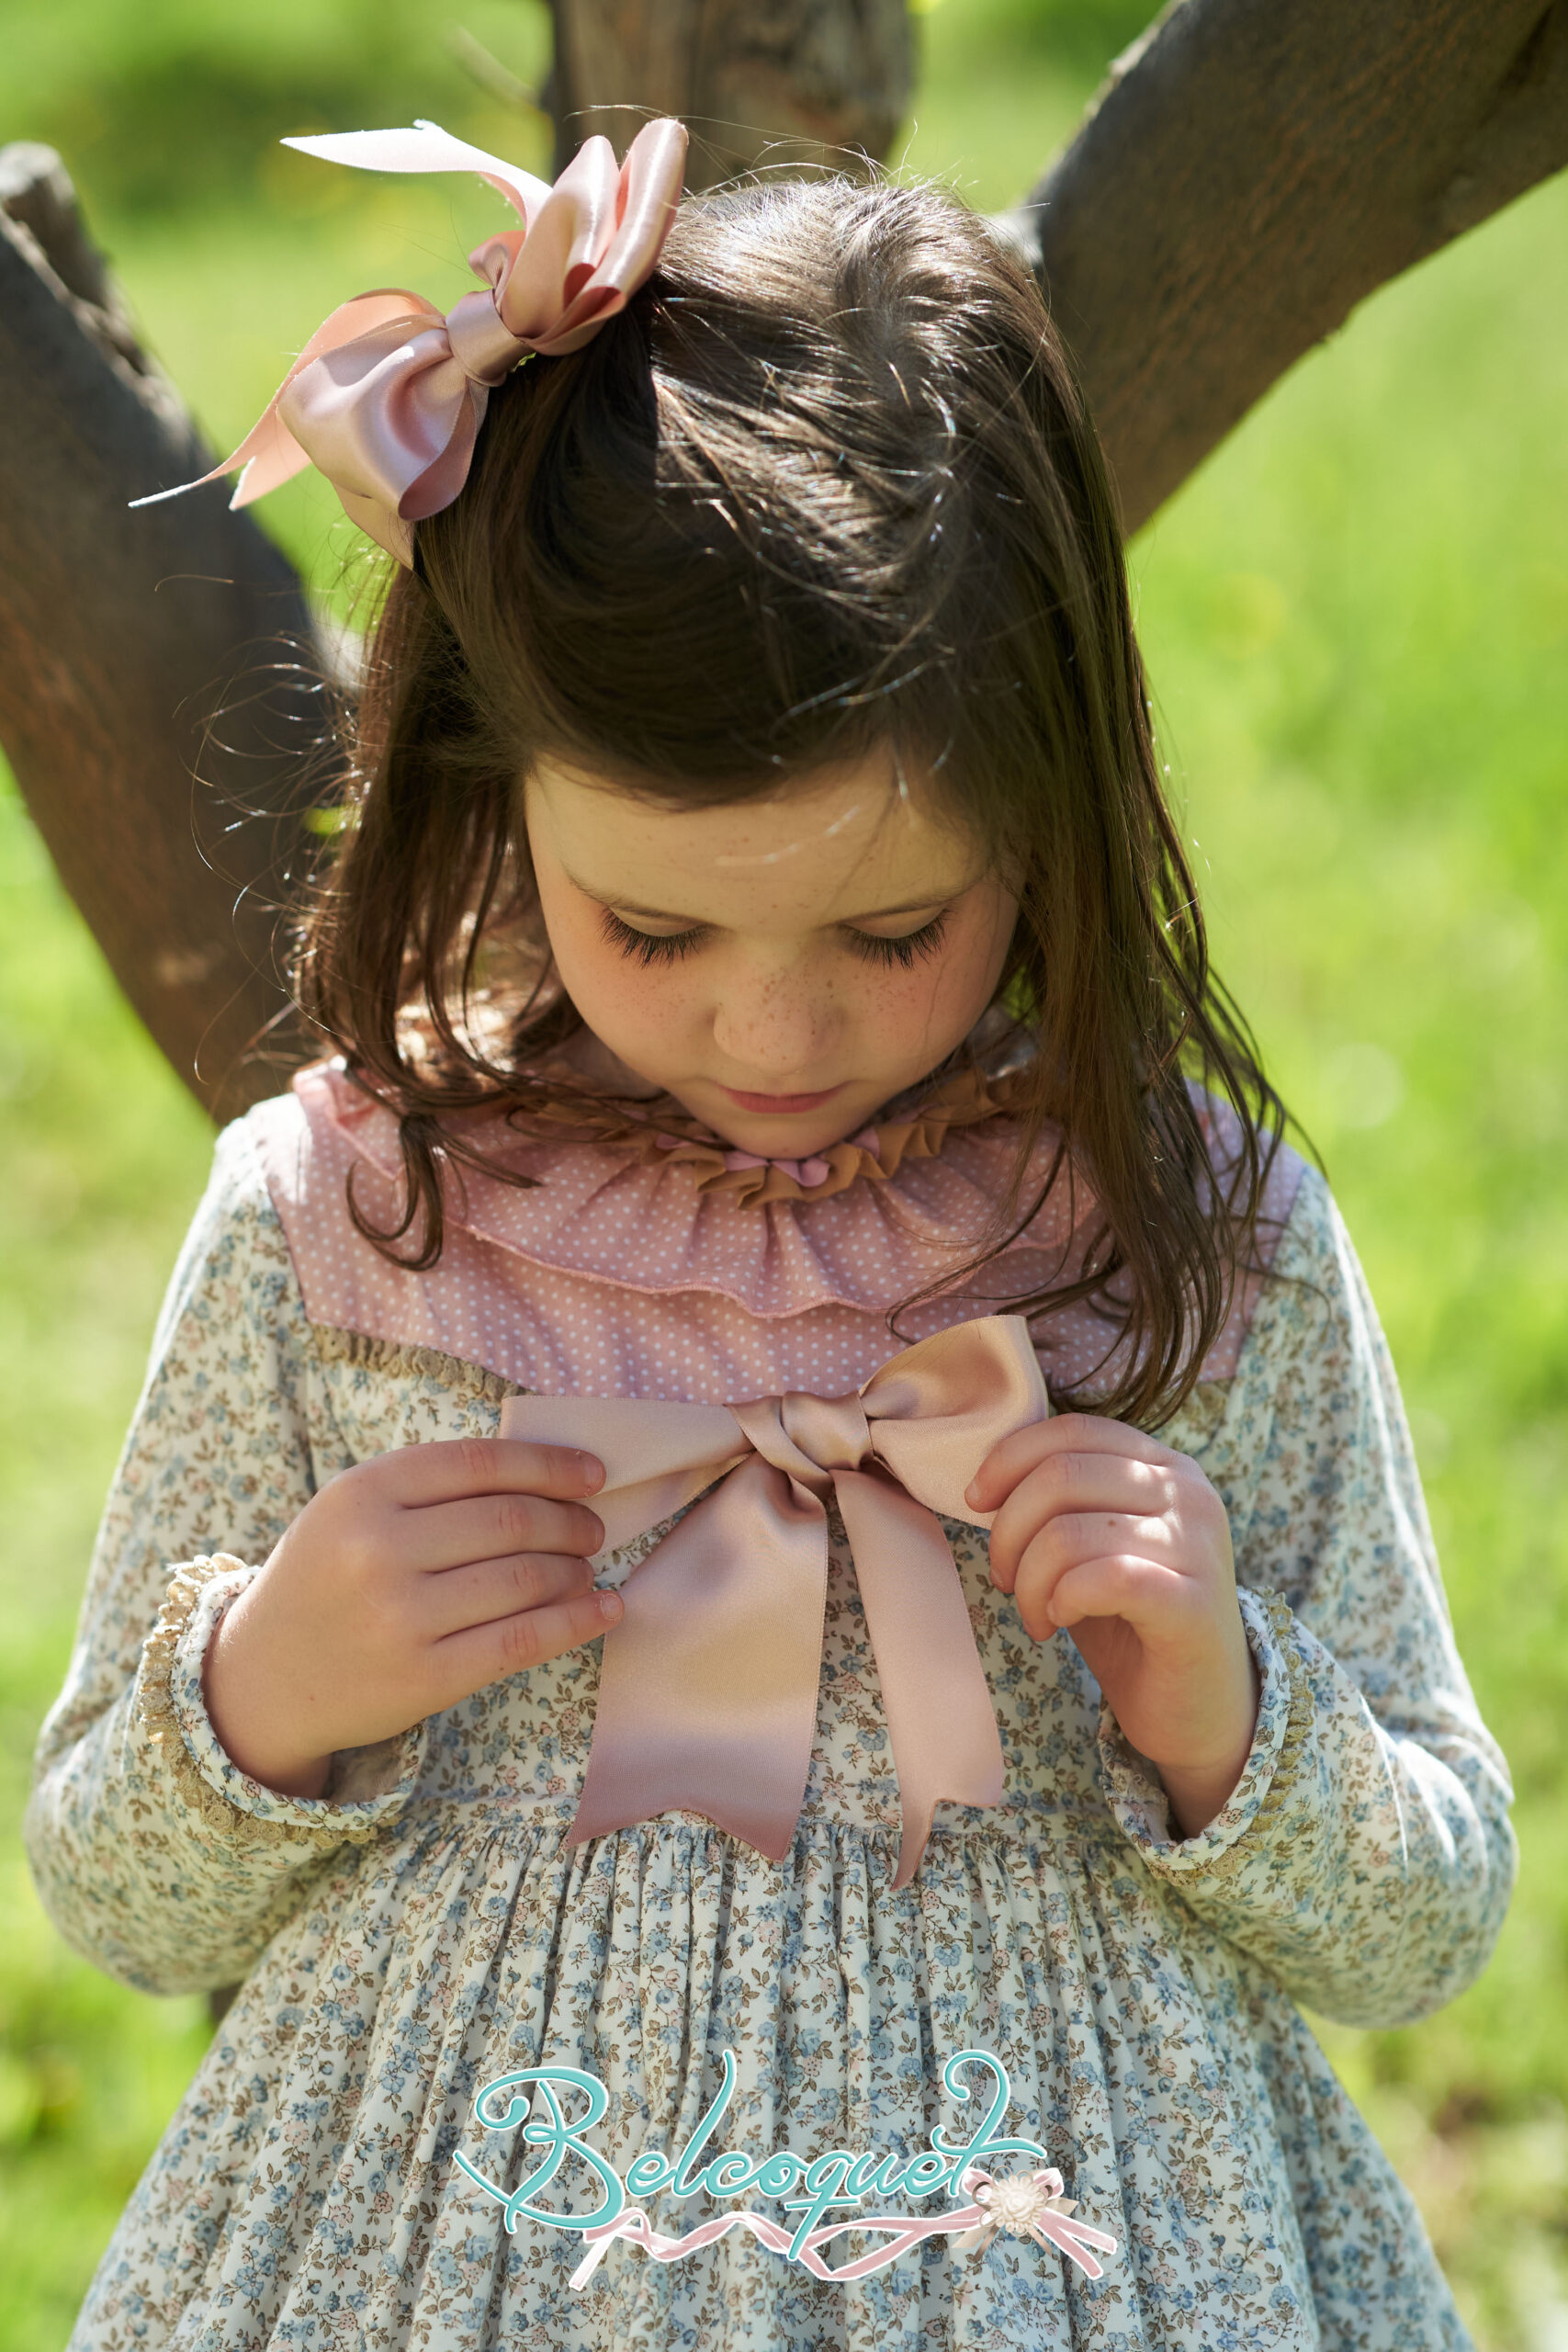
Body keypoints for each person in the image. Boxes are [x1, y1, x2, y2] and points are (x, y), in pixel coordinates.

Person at [27, 115, 1515, 2352]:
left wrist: (1230, 1710)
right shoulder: (344, 1217)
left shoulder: (1192, 1244)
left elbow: (1420, 1923)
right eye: (652, 925)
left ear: (1058, 802)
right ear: (484, 780)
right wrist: (266, 1688)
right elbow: (105, 1882)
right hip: (469, 2241)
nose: (774, 1020)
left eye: (895, 924)